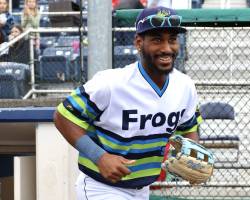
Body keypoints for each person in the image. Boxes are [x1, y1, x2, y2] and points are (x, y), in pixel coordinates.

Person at [54, 6, 200, 200]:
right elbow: (63, 117)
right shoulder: (110, 83)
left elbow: (188, 128)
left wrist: (192, 156)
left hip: (143, 189)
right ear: (139, 43)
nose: (166, 48)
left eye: (172, 39)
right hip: (102, 187)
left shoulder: (185, 86)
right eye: (157, 40)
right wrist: (100, 157)